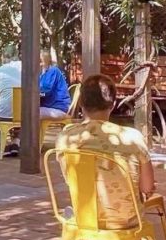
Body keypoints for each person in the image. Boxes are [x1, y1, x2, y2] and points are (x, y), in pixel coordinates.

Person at [56, 74, 156, 229]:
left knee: (71, 212)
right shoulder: (132, 137)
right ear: (113, 104)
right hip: (126, 220)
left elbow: (69, 178)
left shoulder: (67, 137)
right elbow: (147, 187)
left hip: (85, 216)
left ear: (81, 102)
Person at [39, 50, 71, 119]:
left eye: (39, 61)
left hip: (58, 107)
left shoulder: (53, 71)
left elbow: (46, 92)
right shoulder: (43, 74)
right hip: (50, 107)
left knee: (31, 113)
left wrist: (35, 95)